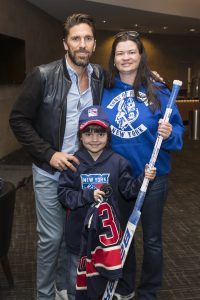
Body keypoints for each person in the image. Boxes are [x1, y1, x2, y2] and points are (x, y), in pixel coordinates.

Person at [9, 13, 105, 300]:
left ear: (94, 43)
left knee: (74, 235)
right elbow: (19, 120)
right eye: (76, 38)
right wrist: (49, 154)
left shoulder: (99, 76)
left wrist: (152, 79)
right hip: (50, 171)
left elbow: (129, 78)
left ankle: (64, 288)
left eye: (87, 38)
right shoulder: (42, 75)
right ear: (65, 44)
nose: (82, 44)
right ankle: (44, 295)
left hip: (83, 175)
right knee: (51, 237)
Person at [101, 31, 184, 300]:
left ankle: (148, 292)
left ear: (140, 56)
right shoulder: (103, 90)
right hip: (120, 177)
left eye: (131, 52)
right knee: (123, 237)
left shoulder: (159, 91)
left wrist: (170, 133)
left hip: (153, 176)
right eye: (120, 53)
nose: (126, 57)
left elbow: (179, 135)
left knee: (152, 240)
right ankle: (125, 288)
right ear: (113, 59)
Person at [58, 105, 156, 300]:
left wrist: (143, 178)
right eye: (88, 133)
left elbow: (128, 191)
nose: (94, 139)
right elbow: (64, 195)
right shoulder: (72, 163)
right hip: (78, 237)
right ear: (80, 136)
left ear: (108, 135)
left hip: (106, 240)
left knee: (101, 281)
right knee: (75, 283)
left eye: (100, 133)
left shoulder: (119, 162)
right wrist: (87, 195)